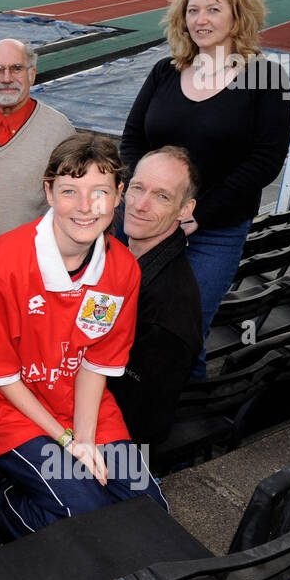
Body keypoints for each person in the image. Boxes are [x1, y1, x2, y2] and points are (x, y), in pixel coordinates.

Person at [0, 135, 164, 548]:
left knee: (149, 512)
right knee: (82, 513)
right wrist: (66, 441)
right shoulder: (0, 265)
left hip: (81, 406)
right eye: (70, 191)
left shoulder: (122, 269)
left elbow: (95, 365)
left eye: (100, 192)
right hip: (11, 409)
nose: (86, 207)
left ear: (119, 195)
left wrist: (85, 438)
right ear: (48, 191)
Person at [120, 0, 290, 373]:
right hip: (144, 222)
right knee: (126, 324)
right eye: (193, 10)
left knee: (183, 333)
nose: (200, 20)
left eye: (214, 10)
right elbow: (131, 140)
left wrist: (198, 214)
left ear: (238, 15)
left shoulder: (266, 79)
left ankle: (178, 422)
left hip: (214, 232)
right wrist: (142, 195)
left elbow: (265, 161)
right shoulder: (165, 71)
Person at [0, 37, 77, 258]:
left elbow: (71, 203)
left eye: (16, 68)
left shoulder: (60, 131)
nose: (6, 78)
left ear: (32, 74)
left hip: (28, 264)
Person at [110, 147, 203, 446]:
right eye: (138, 188)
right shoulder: (128, 260)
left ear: (185, 210)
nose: (140, 205)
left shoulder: (168, 311)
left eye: (162, 196)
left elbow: (139, 420)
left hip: (116, 454)